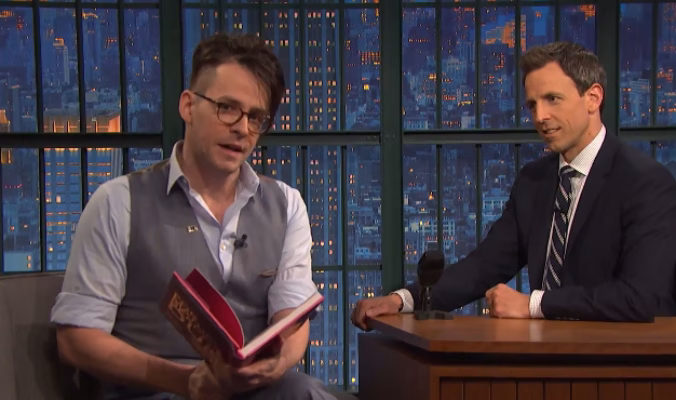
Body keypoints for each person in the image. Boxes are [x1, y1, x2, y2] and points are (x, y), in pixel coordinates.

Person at [51, 33, 346, 400]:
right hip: (152, 392)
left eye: (255, 117)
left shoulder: (286, 204)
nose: (242, 128)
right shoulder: (117, 202)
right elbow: (76, 340)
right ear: (188, 106)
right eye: (227, 108)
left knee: (305, 392)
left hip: (249, 392)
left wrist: (279, 362)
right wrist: (184, 381)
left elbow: (292, 318)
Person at [352, 41, 676, 329]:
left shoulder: (645, 182)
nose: (540, 116)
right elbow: (484, 266)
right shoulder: (534, 181)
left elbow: (642, 297)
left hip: (616, 361)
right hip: (543, 356)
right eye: (532, 105)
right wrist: (404, 300)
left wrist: (533, 305)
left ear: (593, 98)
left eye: (552, 99)